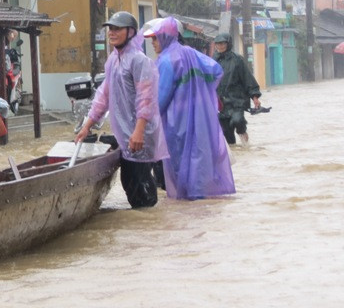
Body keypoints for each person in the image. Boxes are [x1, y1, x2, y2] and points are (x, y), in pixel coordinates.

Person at [74, 11, 168, 208]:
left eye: (117, 29)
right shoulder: (113, 61)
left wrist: (139, 131)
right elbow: (103, 96)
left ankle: (150, 223)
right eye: (110, 29)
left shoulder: (139, 61)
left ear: (131, 32)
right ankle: (146, 222)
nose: (112, 33)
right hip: (125, 134)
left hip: (139, 133)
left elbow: (146, 98)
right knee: (130, 181)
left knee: (138, 182)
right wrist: (87, 126)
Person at [144, 17, 235, 200]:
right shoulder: (191, 53)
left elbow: (160, 100)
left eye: (155, 38)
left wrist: (144, 123)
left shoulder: (166, 61)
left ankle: (188, 209)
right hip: (201, 121)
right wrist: (202, 93)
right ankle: (201, 206)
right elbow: (216, 70)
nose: (153, 43)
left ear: (165, 37)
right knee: (199, 163)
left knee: (180, 167)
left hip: (176, 124)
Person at [213, 32, 262, 144]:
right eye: (218, 44)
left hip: (237, 100)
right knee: (226, 132)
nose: (220, 46)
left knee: (237, 120)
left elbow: (247, 79)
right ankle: (235, 153)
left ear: (228, 44)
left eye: (223, 43)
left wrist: (255, 97)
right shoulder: (212, 61)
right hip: (221, 102)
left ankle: (244, 136)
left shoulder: (237, 60)